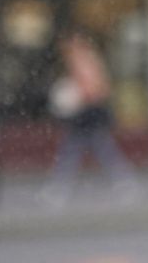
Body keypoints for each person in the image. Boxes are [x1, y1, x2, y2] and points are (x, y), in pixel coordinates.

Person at [41, 32, 134, 207]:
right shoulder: (86, 59)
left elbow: (96, 89)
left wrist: (76, 99)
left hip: (87, 114)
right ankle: (123, 181)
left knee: (76, 151)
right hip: (88, 114)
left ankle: (59, 189)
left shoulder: (82, 60)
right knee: (98, 149)